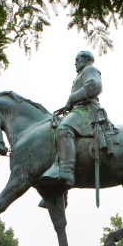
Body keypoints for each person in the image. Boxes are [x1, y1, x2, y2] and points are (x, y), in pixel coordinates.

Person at [40, 50, 103, 186]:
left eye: (77, 59)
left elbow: (94, 86)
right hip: (78, 109)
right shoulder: (81, 74)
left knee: (63, 129)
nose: (75, 62)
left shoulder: (90, 69)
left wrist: (72, 98)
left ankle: (67, 170)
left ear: (86, 59)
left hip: (87, 109)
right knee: (54, 128)